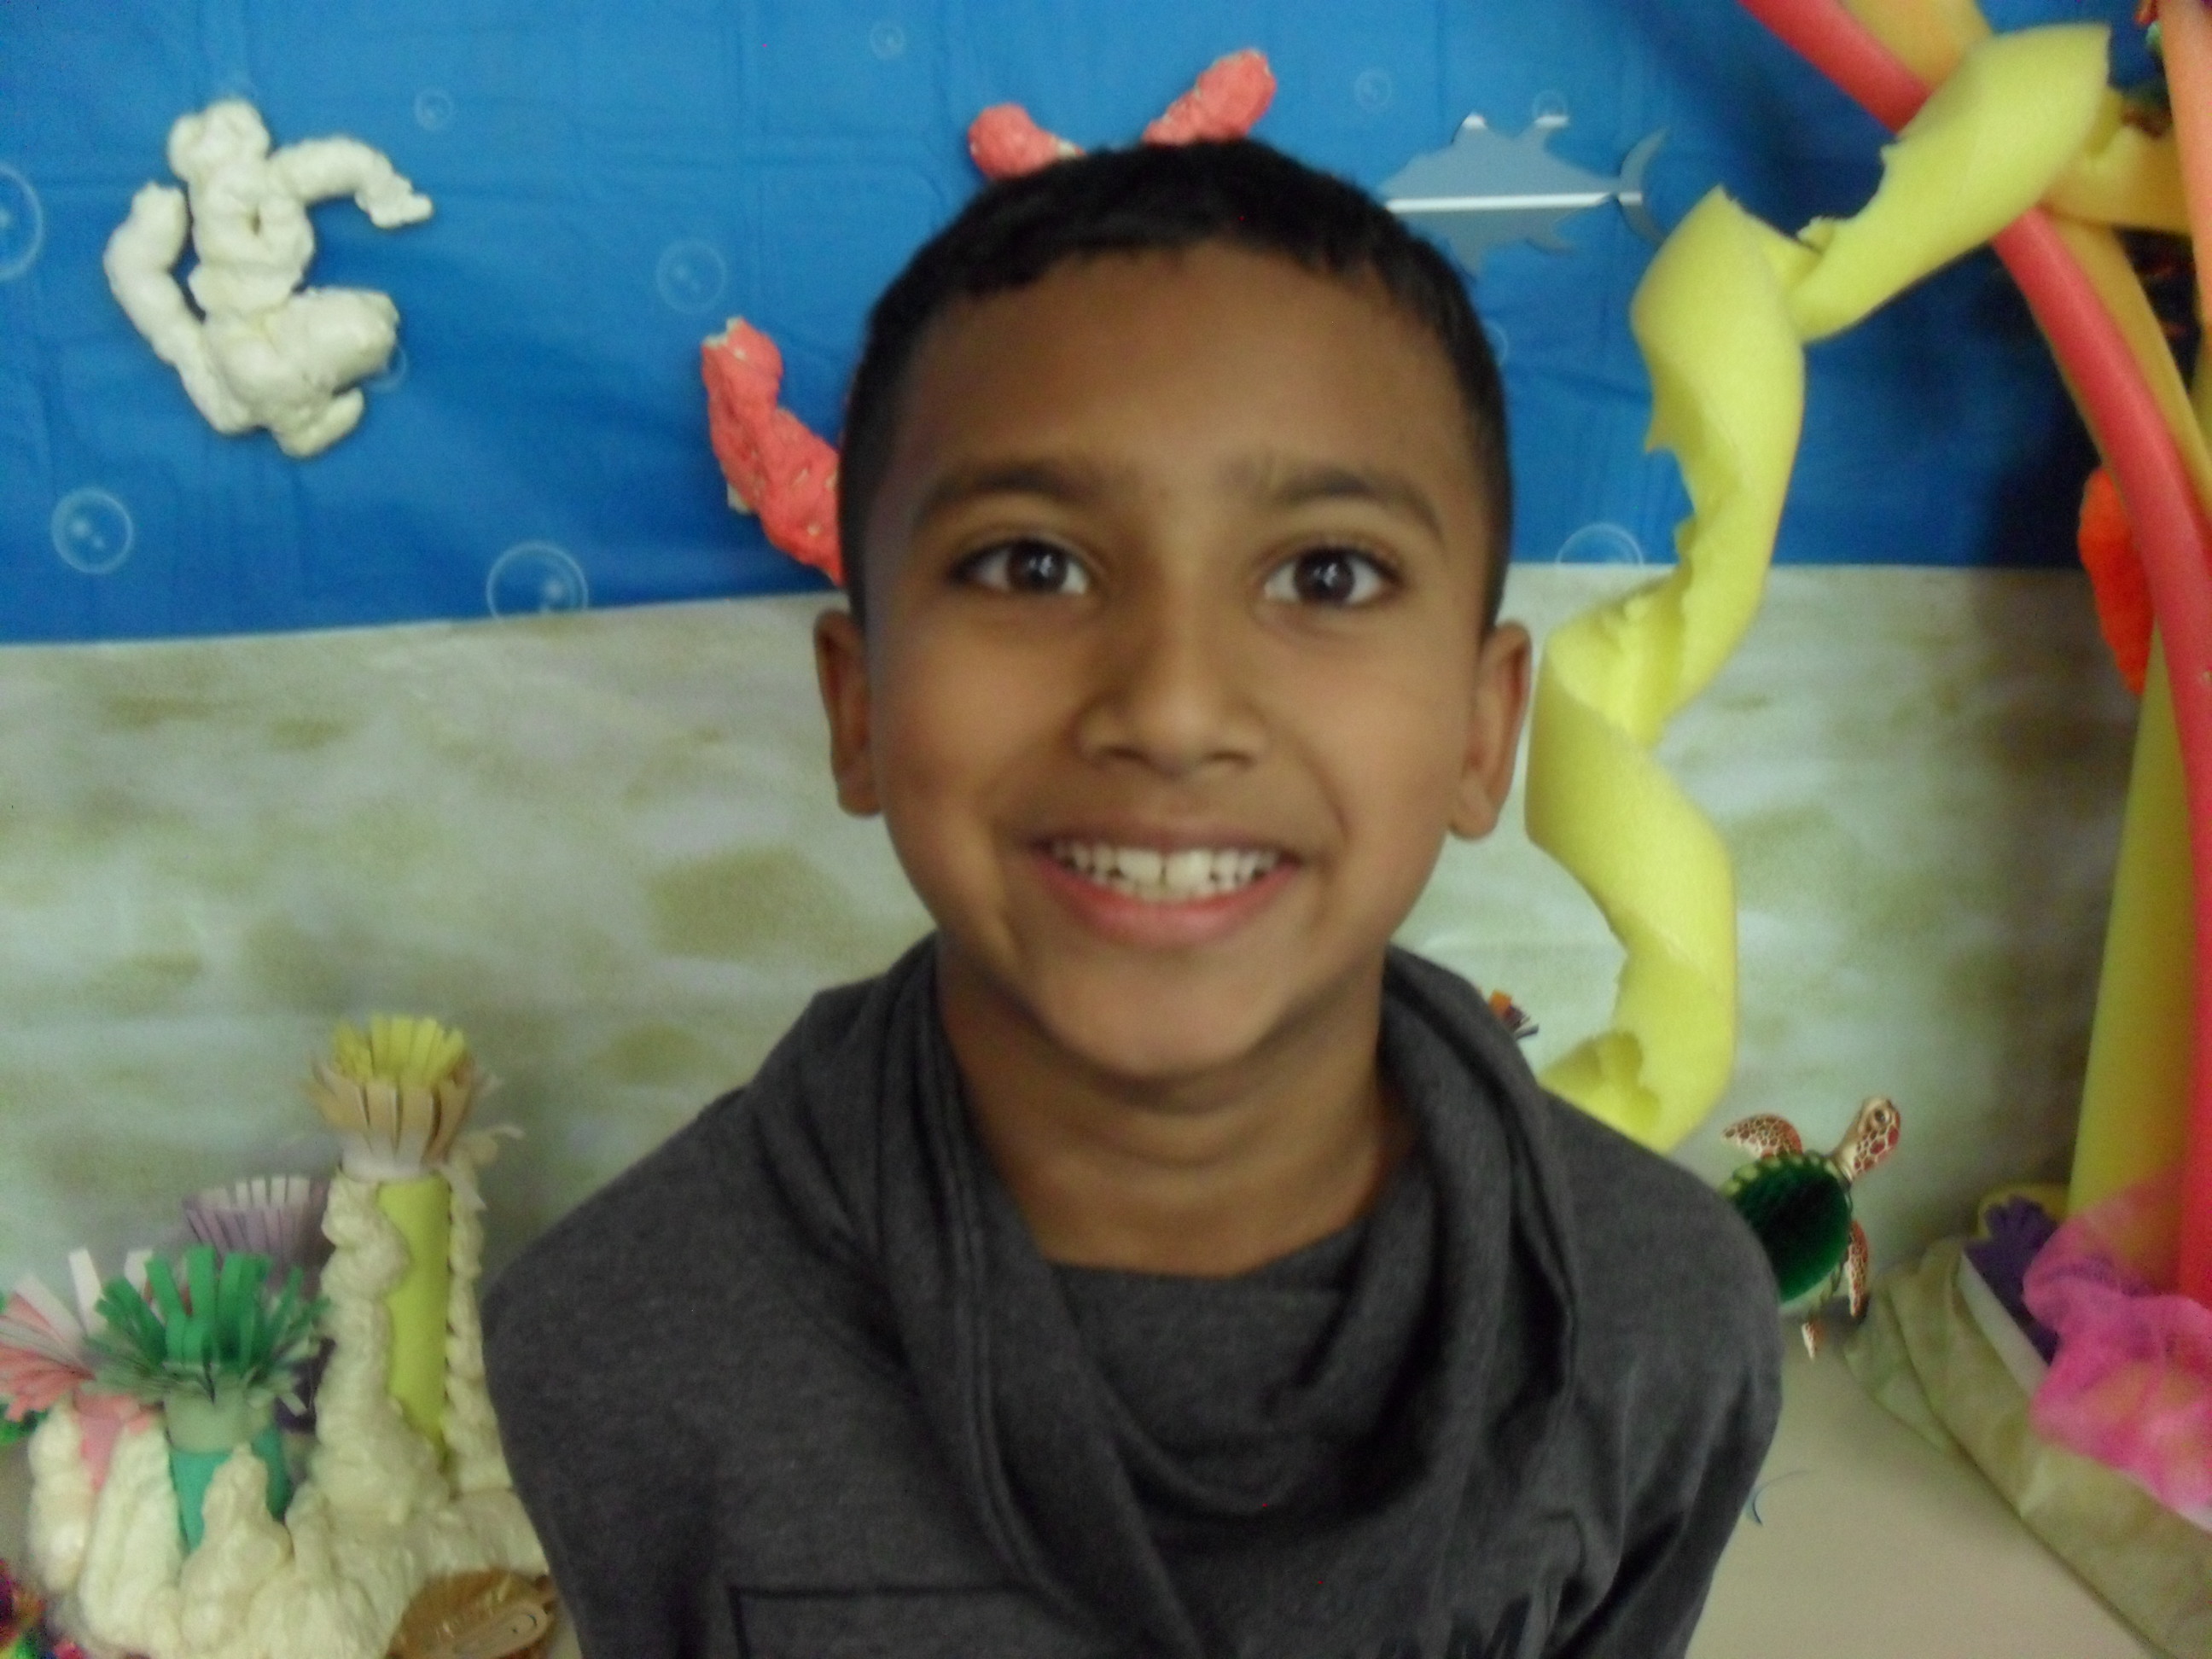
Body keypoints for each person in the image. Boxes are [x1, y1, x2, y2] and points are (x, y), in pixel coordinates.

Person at [483, 137, 1782, 1659]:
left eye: (1327, 577)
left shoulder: (1661, 1328)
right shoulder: (616, 1349)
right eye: (1032, 566)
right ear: (860, 706)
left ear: (1484, 731)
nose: (1172, 709)